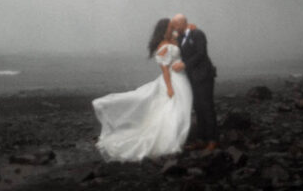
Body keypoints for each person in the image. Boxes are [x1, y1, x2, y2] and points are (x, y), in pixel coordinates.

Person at [92, 18, 193, 161]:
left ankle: (178, 137)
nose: (173, 29)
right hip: (173, 79)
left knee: (182, 107)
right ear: (164, 29)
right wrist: (170, 88)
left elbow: (186, 40)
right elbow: (165, 70)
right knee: (173, 109)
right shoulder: (163, 45)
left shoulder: (173, 39)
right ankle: (172, 140)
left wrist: (189, 30)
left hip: (182, 78)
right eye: (170, 27)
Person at [171, 13, 217, 149]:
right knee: (197, 107)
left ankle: (213, 140)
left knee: (207, 107)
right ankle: (201, 139)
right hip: (191, 77)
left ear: (183, 23)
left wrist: (185, 64)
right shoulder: (179, 38)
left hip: (204, 75)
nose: (174, 27)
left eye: (176, 24)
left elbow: (201, 53)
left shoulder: (197, 34)